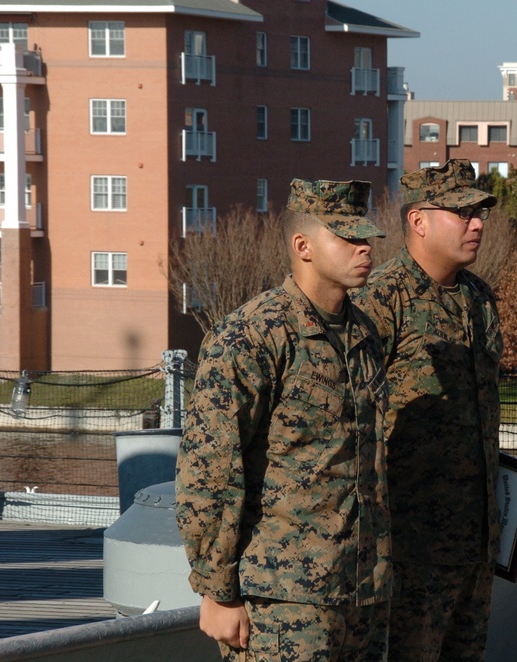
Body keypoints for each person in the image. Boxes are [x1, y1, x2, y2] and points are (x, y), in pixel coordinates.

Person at [175, 179, 392, 661]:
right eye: (349, 238)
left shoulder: (364, 334)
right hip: (282, 601)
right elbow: (210, 471)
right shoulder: (252, 336)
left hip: (362, 593)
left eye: (366, 238)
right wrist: (218, 590)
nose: (365, 249)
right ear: (303, 246)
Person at [353, 159, 502, 661]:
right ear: (419, 221)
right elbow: (355, 424)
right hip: (409, 550)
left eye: (480, 211)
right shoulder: (381, 301)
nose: (477, 222)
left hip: (474, 545)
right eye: (463, 212)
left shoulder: (479, 299)